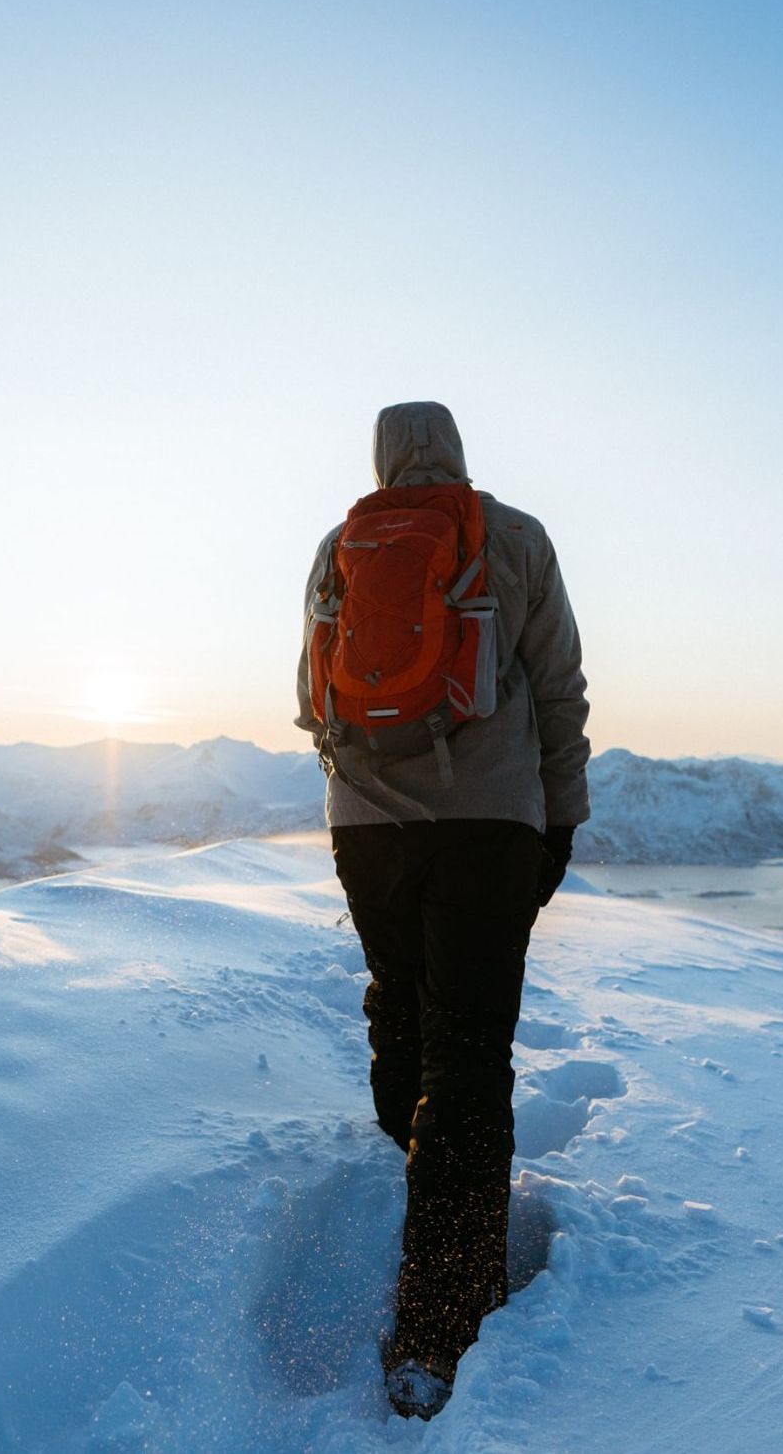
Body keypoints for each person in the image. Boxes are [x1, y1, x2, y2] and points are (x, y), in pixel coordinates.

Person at [295, 400, 591, 1419]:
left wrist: (366, 800)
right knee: (467, 1050)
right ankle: (442, 1318)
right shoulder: (511, 537)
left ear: (380, 457)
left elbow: (310, 690)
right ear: (458, 449)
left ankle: (401, 1180)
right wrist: (555, 822)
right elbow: (557, 689)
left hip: (367, 830)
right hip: (487, 824)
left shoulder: (342, 545)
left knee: (402, 1002)